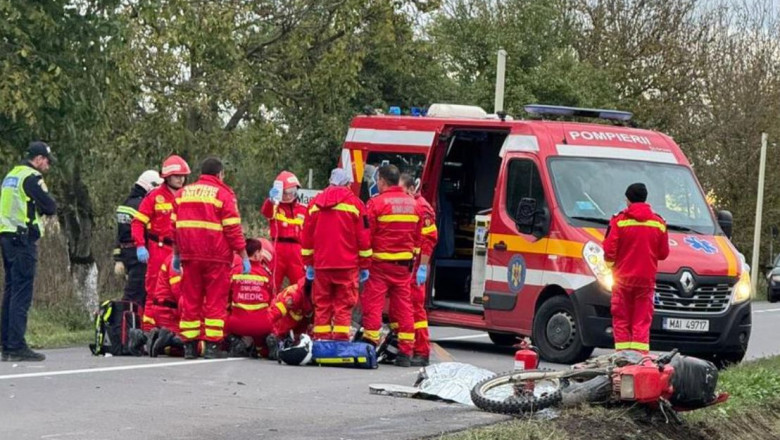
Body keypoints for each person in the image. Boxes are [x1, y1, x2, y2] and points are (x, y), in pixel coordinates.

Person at [173, 157, 249, 359]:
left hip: (189, 256)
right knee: (215, 301)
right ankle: (212, 347)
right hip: (216, 257)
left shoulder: (183, 194)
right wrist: (243, 254)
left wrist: (176, 253)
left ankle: (189, 346)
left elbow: (175, 227)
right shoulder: (223, 195)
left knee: (190, 300)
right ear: (219, 174)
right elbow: (233, 229)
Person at [0, 142, 57, 362]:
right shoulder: (32, 177)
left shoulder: (11, 175)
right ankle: (16, 345)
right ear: (39, 158)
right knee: (21, 293)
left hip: (7, 236)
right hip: (23, 239)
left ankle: (6, 343)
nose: (48, 165)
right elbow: (50, 206)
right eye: (48, 161)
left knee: (11, 291)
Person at [361, 165, 423, 367]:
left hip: (380, 265)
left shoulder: (376, 204)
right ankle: (405, 353)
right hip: (404, 266)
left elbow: (366, 236)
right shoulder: (414, 205)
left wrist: (362, 262)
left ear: (382, 181)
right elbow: (417, 237)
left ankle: (369, 346)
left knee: (374, 306)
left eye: (378, 181)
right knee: (404, 308)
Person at [301, 168, 371, 341]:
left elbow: (306, 237)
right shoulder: (355, 204)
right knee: (344, 304)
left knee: (322, 304)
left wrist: (309, 263)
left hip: (322, 265)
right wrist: (365, 264)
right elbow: (363, 238)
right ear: (347, 184)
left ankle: (321, 340)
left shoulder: (314, 204)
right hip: (347, 265)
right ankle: (340, 340)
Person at [603, 183, 669, 354]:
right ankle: (639, 361)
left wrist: (612, 268)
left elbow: (609, 251)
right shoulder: (659, 223)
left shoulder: (619, 221)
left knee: (622, 319)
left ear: (628, 200)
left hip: (622, 279)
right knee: (641, 321)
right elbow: (663, 253)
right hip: (646, 281)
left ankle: (623, 360)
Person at [131, 155, 190, 331]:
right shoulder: (154, 197)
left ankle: (177, 329)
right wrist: (140, 245)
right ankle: (148, 332)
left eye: (183, 176)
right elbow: (138, 222)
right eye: (176, 175)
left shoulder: (187, 195)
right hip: (159, 249)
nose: (181, 179)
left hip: (181, 250)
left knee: (183, 289)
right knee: (153, 292)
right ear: (166, 177)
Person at [400, 173, 438, 367]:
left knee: (416, 308)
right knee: (407, 307)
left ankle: (422, 350)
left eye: (402, 190)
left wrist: (422, 267)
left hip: (416, 267)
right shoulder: (410, 206)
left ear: (411, 189)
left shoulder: (422, 208)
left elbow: (429, 240)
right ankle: (413, 346)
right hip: (410, 264)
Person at [114, 170, 163, 307]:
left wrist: (118, 258)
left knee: (134, 291)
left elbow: (119, 234)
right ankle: (126, 323)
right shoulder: (142, 204)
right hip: (140, 255)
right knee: (136, 295)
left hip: (128, 254)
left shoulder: (126, 202)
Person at [224, 238, 275, 357]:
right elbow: (271, 300)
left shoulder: (235, 272)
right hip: (263, 325)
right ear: (256, 253)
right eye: (261, 252)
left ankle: (235, 341)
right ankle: (268, 343)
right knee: (274, 313)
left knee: (218, 314)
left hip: (237, 325)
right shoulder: (266, 274)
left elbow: (227, 297)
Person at [261, 171, 307, 290]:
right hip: (278, 248)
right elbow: (266, 212)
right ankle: (271, 308)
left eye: (292, 192)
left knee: (299, 285)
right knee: (272, 284)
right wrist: (271, 200)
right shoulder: (274, 206)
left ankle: (298, 308)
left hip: (297, 250)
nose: (288, 196)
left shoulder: (303, 209)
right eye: (285, 193)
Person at [266, 277, 314, 360]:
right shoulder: (295, 296)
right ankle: (276, 339)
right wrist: (265, 324)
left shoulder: (310, 295)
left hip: (296, 323)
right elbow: (276, 311)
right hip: (280, 321)